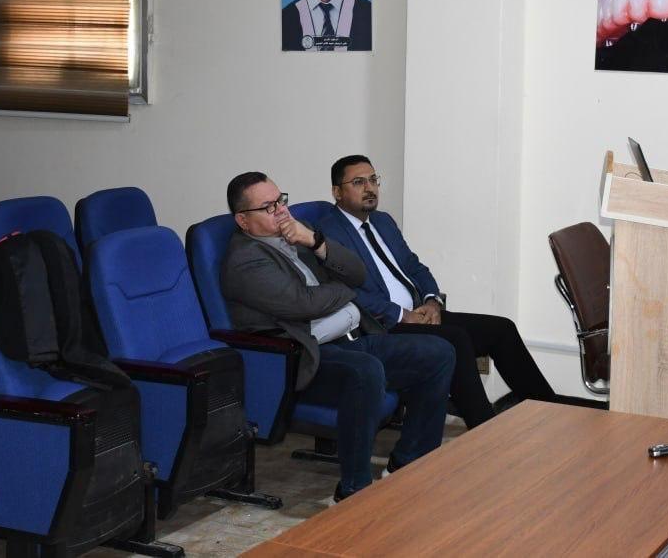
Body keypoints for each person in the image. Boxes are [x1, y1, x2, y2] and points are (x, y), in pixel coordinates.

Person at [221, 172, 453, 502]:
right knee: (365, 370)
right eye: (268, 207)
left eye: (281, 201)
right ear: (243, 220)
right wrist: (345, 291)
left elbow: (357, 271)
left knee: (439, 352)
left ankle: (408, 463)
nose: (281, 211)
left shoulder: (297, 235)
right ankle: (353, 490)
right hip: (303, 356)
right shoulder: (245, 260)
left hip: (347, 338)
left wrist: (315, 241)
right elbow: (302, 304)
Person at [319, 155, 555, 429]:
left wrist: (432, 301)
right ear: (337, 192)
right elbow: (347, 292)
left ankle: (550, 413)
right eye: (359, 182)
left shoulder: (382, 221)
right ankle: (485, 428)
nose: (370, 188)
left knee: (501, 329)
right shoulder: (328, 231)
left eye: (373, 180)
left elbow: (414, 266)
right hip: (383, 325)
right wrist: (401, 315)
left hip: (420, 313)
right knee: (456, 339)